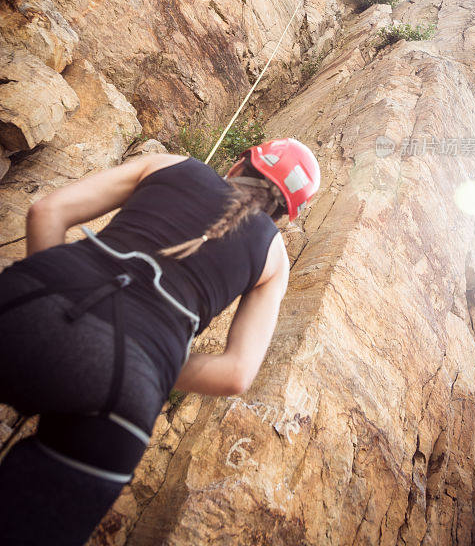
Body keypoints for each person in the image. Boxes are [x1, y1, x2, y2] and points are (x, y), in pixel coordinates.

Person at [0, 137, 320, 545]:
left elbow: (47, 210)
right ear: (286, 217)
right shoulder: (274, 259)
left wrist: (46, 303)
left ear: (238, 164)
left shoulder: (169, 164)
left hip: (27, 301)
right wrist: (149, 364)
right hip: (125, 386)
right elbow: (235, 374)